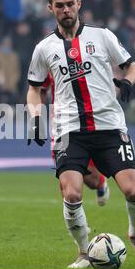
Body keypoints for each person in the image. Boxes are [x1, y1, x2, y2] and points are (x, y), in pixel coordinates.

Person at [26, 0, 135, 269]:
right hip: (69, 130)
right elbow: (34, 88)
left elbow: (133, 67)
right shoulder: (44, 48)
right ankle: (85, 251)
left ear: (79, 4)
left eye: (70, 3)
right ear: (51, 8)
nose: (66, 9)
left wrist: (126, 81)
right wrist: (36, 118)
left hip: (109, 126)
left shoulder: (102, 36)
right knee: (71, 193)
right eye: (59, 5)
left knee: (133, 191)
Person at [41, 73, 110, 207]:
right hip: (62, 126)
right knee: (65, 171)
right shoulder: (48, 58)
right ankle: (76, 223)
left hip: (89, 122)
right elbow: (40, 89)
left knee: (92, 180)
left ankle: (100, 182)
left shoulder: (87, 57)